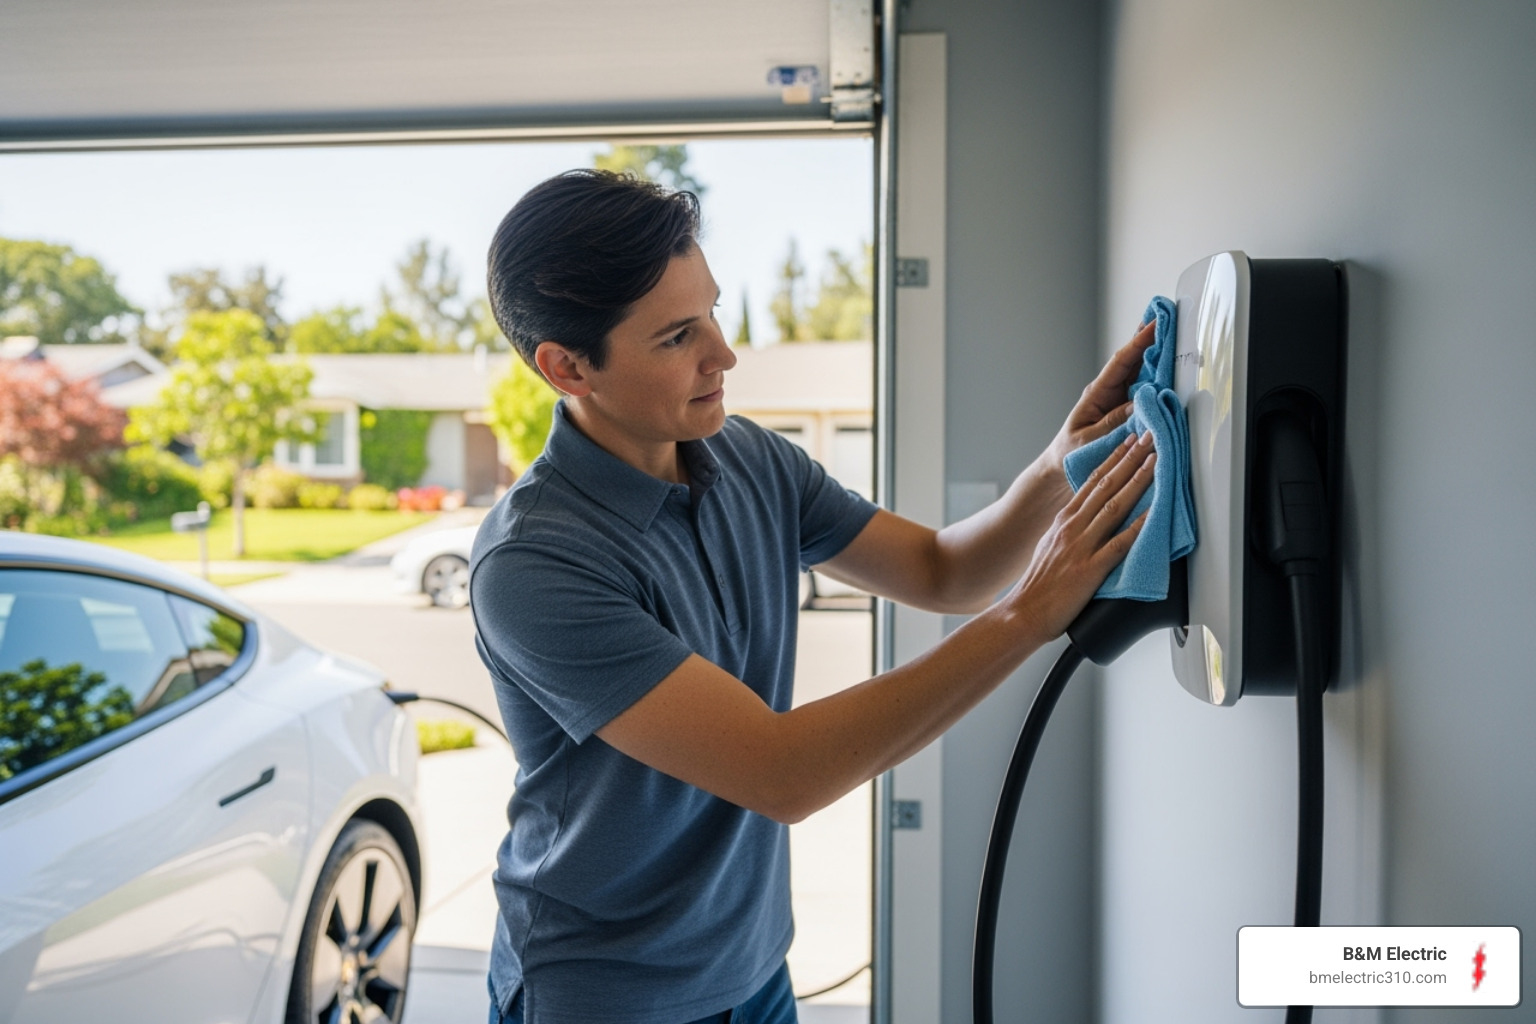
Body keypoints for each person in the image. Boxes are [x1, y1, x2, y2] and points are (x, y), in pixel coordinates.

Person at [470, 169, 1156, 1024]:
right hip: (603, 995)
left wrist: (1059, 466)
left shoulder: (752, 461)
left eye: (711, 310)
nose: (723, 353)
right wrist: (1025, 619)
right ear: (568, 367)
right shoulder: (534, 561)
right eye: (678, 335)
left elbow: (943, 573)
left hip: (752, 970)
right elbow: (780, 772)